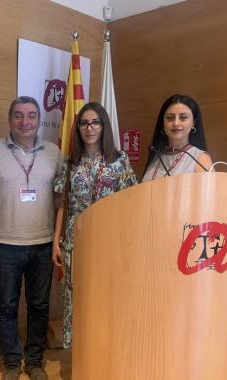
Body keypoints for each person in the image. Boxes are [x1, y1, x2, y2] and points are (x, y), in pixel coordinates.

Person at [0, 96, 64, 380]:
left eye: (31, 115)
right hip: (4, 244)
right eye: (18, 115)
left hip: (43, 243)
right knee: (7, 306)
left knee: (39, 306)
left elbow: (60, 199)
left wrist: (57, 239)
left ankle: (35, 361)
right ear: (9, 119)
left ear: (39, 120)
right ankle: (12, 362)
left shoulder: (53, 153)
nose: (24, 122)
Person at [52, 102, 138, 349]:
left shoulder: (119, 161)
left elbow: (131, 201)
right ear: (78, 128)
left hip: (109, 240)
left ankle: (105, 350)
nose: (89, 128)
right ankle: (80, 353)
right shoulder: (71, 162)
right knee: (77, 295)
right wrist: (56, 241)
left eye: (95, 123)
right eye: (84, 123)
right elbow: (62, 204)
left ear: (104, 126)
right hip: (75, 241)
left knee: (106, 294)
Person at [142, 94, 213, 181]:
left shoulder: (201, 158)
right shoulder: (156, 154)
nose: (176, 123)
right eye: (170, 117)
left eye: (183, 117)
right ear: (163, 123)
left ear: (193, 123)